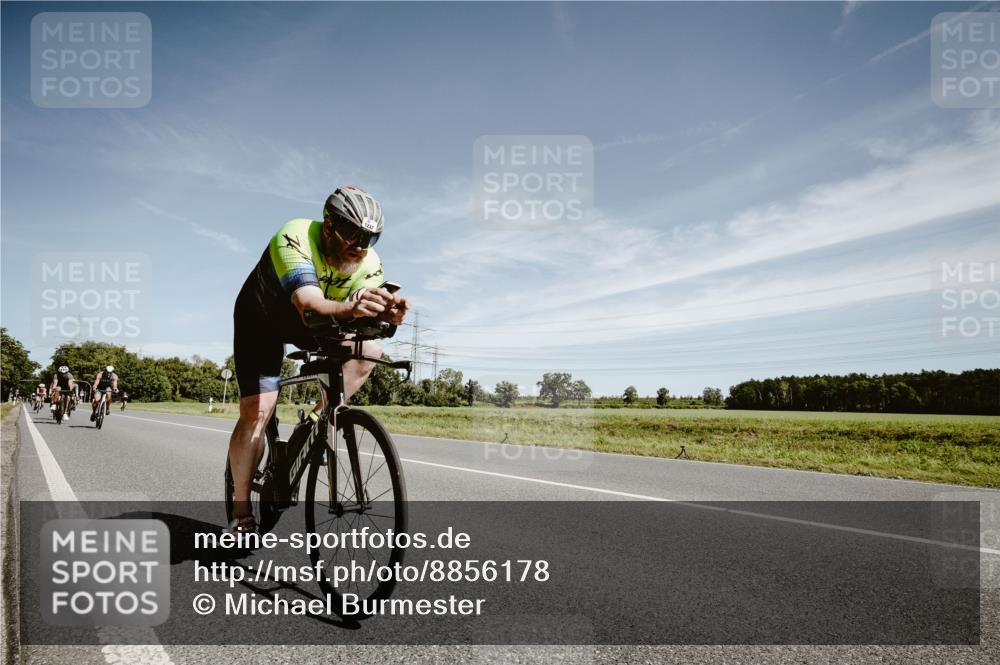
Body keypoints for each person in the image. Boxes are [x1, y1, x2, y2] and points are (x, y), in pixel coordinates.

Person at [227, 186, 410, 534]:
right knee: (258, 412)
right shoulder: (295, 235)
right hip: (263, 320)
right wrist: (351, 308)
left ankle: (316, 419)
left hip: (322, 321)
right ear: (328, 226)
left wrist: (388, 317)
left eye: (370, 238)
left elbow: (362, 318)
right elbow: (310, 306)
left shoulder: (369, 263)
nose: (360, 244)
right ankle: (240, 514)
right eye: (352, 233)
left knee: (369, 349)